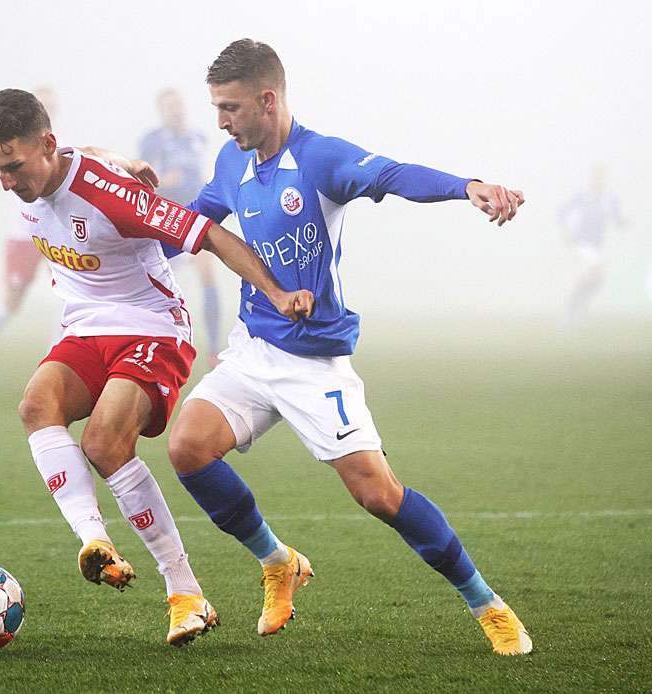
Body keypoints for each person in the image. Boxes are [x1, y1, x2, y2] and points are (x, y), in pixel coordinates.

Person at [157, 40, 532, 656]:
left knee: (379, 495)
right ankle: (278, 562)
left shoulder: (319, 158)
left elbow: (391, 174)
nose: (220, 122)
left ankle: (486, 602)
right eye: (216, 108)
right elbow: (191, 223)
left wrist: (467, 186)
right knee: (188, 448)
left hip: (314, 362)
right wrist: (119, 244)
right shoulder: (232, 162)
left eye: (229, 107)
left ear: (267, 99)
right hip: (253, 348)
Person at [0, 88, 313, 646]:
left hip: (153, 326)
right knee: (36, 406)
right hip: (86, 326)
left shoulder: (114, 198)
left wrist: (274, 292)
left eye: (11, 167)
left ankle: (184, 592)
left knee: (105, 444)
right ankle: (94, 542)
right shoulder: (34, 167)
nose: (6, 181)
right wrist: (122, 157)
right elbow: (80, 152)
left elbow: (210, 235)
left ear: (44, 147)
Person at [0, 86, 60, 388]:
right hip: (23, 236)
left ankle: (55, 361)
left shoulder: (58, 143)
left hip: (59, 234)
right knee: (13, 299)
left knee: (70, 293)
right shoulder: (10, 145)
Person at [139, 88, 224, 367]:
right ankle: (147, 339)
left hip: (195, 218)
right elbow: (143, 180)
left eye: (178, 105)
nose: (175, 110)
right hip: (165, 222)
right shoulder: (152, 141)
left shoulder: (197, 137)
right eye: (169, 106)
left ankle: (213, 348)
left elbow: (202, 173)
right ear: (161, 111)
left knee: (208, 277)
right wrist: (167, 179)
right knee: (155, 285)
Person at [559, 164, 624, 326]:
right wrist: (566, 231)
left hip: (597, 245)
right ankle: (571, 312)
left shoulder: (608, 198)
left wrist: (624, 223)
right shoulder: (582, 197)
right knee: (595, 275)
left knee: (593, 280)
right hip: (582, 242)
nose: (597, 179)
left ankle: (578, 309)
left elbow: (617, 217)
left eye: (600, 176)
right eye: (595, 176)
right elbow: (564, 212)